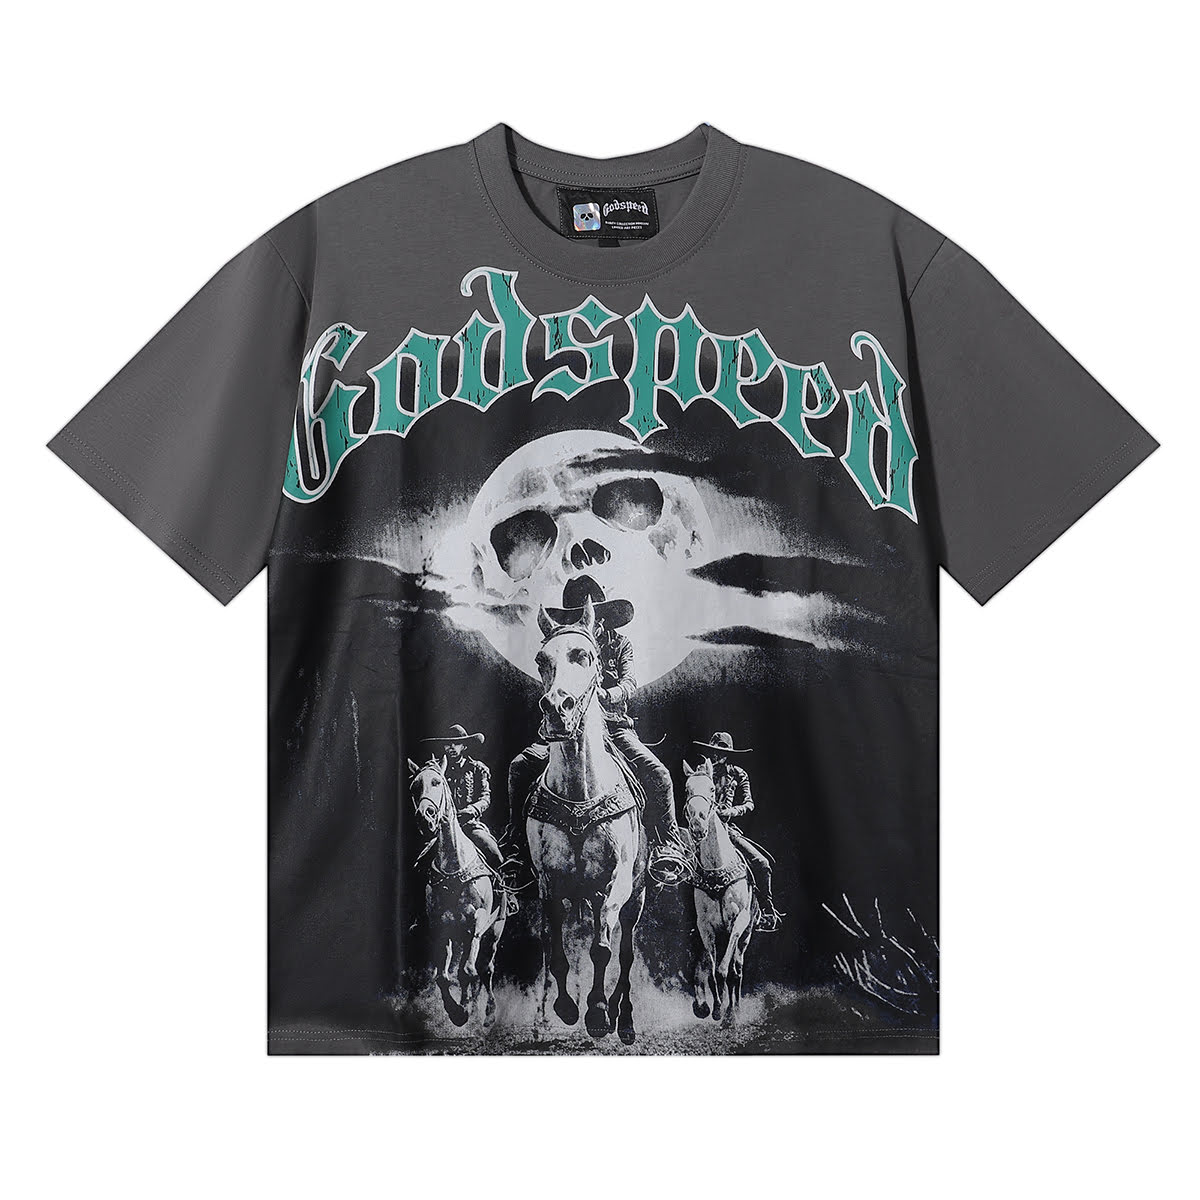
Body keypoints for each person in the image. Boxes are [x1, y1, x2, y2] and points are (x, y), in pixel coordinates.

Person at [507, 577, 680, 873]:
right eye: (577, 616)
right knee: (520, 767)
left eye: (591, 616)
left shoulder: (620, 645)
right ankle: (516, 846)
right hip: (567, 725)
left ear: (604, 618)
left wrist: (606, 695)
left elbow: (629, 682)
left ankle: (668, 844)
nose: (588, 622)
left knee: (659, 774)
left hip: (614, 726)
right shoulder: (565, 645)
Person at [420, 725, 517, 912]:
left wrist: (471, 810)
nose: (451, 748)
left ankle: (505, 897)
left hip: (469, 825)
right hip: (444, 828)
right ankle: (419, 913)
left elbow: (485, 798)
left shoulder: (477, 768)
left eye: (456, 744)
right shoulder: (437, 770)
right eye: (448, 745)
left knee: (494, 853)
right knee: (421, 862)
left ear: (464, 746)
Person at [693, 731, 782, 931]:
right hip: (700, 830)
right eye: (713, 751)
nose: (716, 755)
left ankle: (766, 911)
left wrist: (731, 811)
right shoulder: (701, 772)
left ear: (728, 754)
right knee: (681, 867)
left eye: (721, 751)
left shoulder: (738, 774)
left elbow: (749, 803)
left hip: (727, 830)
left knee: (762, 863)